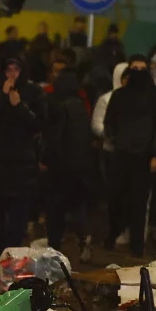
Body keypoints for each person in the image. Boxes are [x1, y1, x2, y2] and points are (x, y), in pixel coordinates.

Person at [0, 59, 45, 257]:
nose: (12, 74)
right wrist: (1, 96)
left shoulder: (33, 91)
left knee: (17, 215)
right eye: (8, 69)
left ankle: (11, 256)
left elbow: (39, 122)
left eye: (16, 69)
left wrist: (19, 106)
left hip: (22, 162)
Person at [103, 57, 156, 258]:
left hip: (142, 156)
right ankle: (116, 236)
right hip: (124, 154)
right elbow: (110, 122)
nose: (139, 72)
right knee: (118, 198)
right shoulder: (121, 95)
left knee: (138, 202)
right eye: (135, 68)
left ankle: (136, 243)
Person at [42, 69, 96, 260]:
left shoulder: (59, 105)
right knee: (77, 205)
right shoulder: (80, 105)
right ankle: (83, 239)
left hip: (61, 165)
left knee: (55, 207)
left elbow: (55, 137)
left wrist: (46, 159)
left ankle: (54, 247)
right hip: (81, 164)